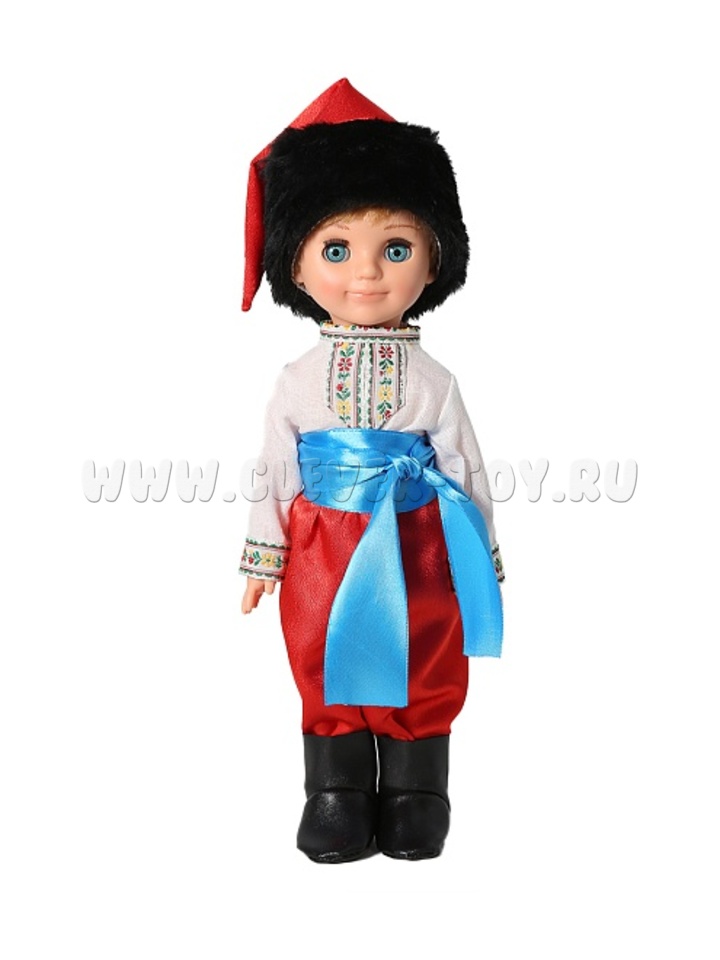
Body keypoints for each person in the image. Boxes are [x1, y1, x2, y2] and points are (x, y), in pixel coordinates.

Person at [239, 79, 504, 863]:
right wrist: (264, 556)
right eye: (336, 249)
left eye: (395, 248)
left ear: (434, 260)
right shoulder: (296, 381)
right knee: (322, 648)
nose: (367, 274)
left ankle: (419, 789)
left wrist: (480, 552)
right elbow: (273, 470)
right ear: (295, 266)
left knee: (424, 646)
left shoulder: (435, 383)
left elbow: (464, 464)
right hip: (322, 542)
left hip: (417, 538)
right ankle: (336, 789)